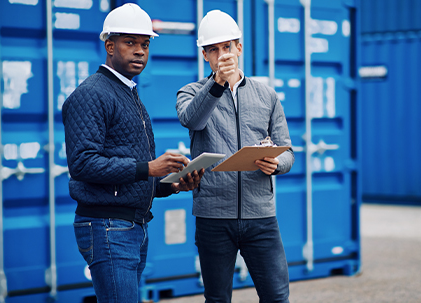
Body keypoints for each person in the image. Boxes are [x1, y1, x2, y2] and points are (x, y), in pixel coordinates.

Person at [62, 4, 204, 303]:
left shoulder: (127, 93)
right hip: (108, 227)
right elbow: (83, 164)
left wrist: (170, 185)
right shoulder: (92, 94)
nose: (140, 51)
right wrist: (150, 169)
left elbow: (128, 170)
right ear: (109, 45)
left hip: (131, 226)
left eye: (145, 44)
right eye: (130, 43)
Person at [176, 9, 295, 303]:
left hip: (261, 218)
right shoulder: (190, 92)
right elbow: (193, 120)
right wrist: (216, 83)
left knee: (277, 298)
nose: (221, 55)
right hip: (213, 218)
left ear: (239, 47)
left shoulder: (266, 95)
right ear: (205, 55)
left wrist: (276, 163)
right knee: (217, 300)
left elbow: (288, 152)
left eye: (227, 46)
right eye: (213, 49)